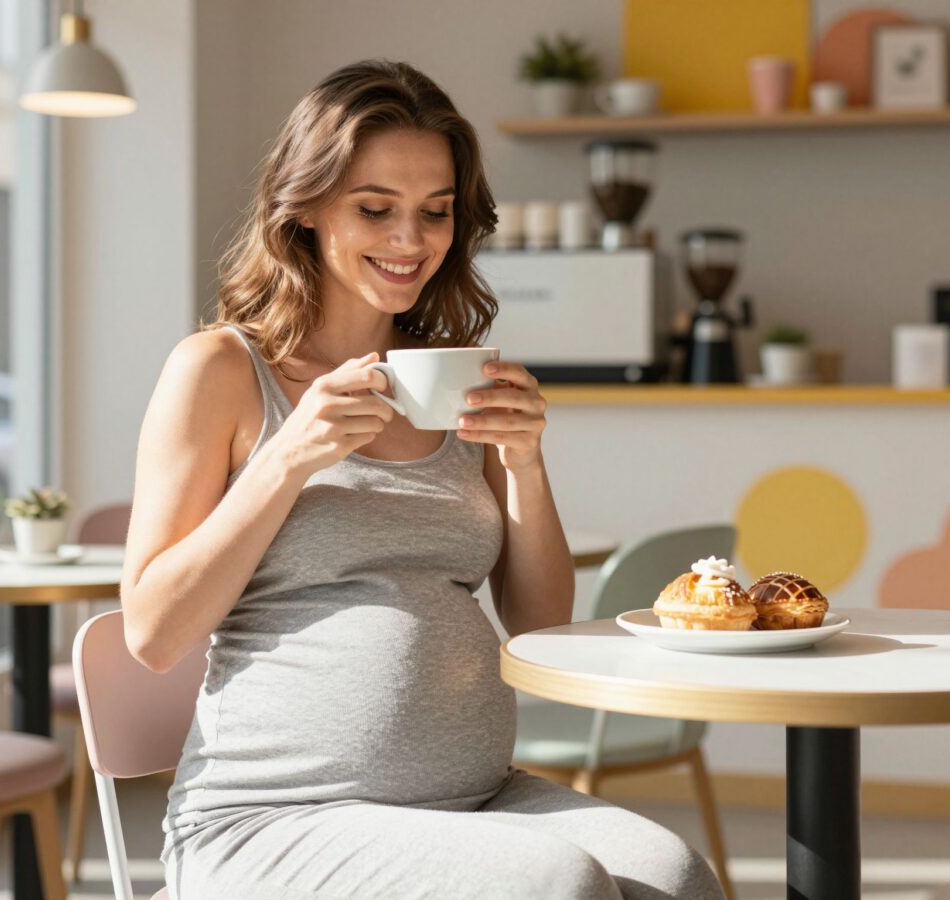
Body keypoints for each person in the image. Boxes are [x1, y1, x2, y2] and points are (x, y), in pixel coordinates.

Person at [122, 59, 725, 900]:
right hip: (268, 817)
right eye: (375, 209)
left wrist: (524, 461)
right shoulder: (219, 370)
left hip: (473, 800)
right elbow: (152, 633)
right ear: (305, 207)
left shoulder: (451, 377)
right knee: (557, 883)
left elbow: (541, 624)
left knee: (675, 874)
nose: (411, 240)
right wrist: (289, 457)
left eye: (435, 211)